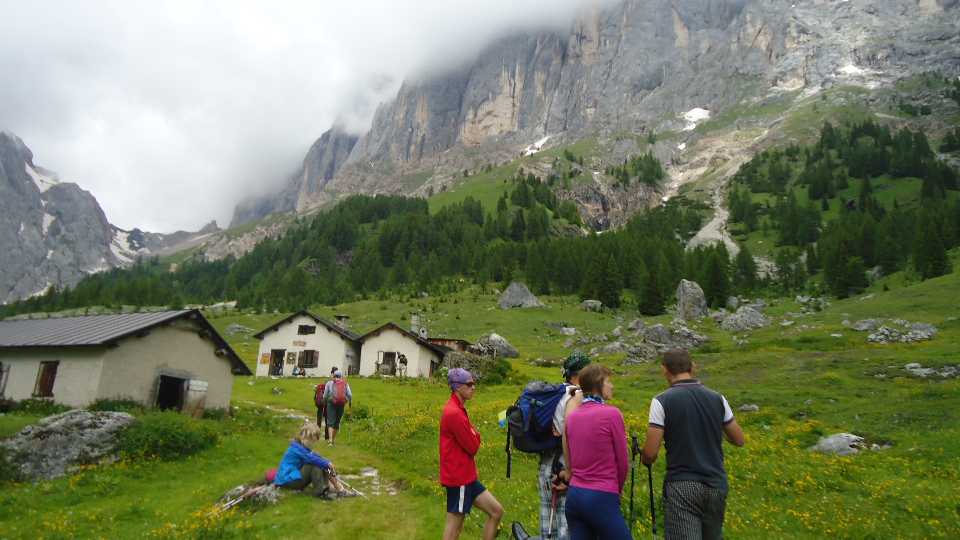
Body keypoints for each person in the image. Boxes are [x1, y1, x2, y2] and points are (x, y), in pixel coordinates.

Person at [641, 349, 745, 540]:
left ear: (664, 370)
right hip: (716, 483)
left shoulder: (662, 401)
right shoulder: (717, 398)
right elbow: (739, 439)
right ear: (693, 367)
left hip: (682, 484)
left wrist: (643, 456)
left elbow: (650, 453)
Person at [511, 352, 591, 540]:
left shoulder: (559, 393)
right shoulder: (576, 396)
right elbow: (572, 436)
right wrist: (571, 474)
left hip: (546, 464)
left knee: (548, 527)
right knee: (566, 529)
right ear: (582, 373)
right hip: (563, 467)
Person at [561, 363, 631, 540]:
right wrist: (618, 490)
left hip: (575, 495)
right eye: (608, 381)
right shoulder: (612, 414)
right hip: (602, 494)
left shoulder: (572, 417)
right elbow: (623, 462)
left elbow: (570, 457)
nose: (612, 386)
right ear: (599, 384)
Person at [440, 368, 504, 540]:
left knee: (496, 511)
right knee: (454, 528)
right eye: (469, 384)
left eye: (473, 383)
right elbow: (473, 446)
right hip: (459, 478)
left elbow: (472, 437)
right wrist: (475, 434)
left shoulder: (458, 408)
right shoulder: (453, 412)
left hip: (468, 478)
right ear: (457, 387)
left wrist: (474, 433)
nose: (473, 387)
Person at [273, 423, 347, 499]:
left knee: (321, 462)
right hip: (287, 481)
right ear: (301, 437)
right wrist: (327, 464)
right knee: (316, 464)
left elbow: (318, 458)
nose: (310, 443)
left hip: (292, 478)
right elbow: (312, 459)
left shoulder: (304, 448)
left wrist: (329, 466)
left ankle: (330, 487)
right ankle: (320, 492)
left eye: (312, 441)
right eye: (307, 439)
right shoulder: (296, 448)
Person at [322, 369, 352, 446]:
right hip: (341, 404)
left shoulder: (329, 383)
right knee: (337, 422)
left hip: (331, 403)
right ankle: (333, 440)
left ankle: (330, 441)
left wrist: (324, 401)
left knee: (330, 421)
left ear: (334, 375)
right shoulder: (345, 383)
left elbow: (325, 395)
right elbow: (350, 394)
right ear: (341, 376)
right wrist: (347, 401)